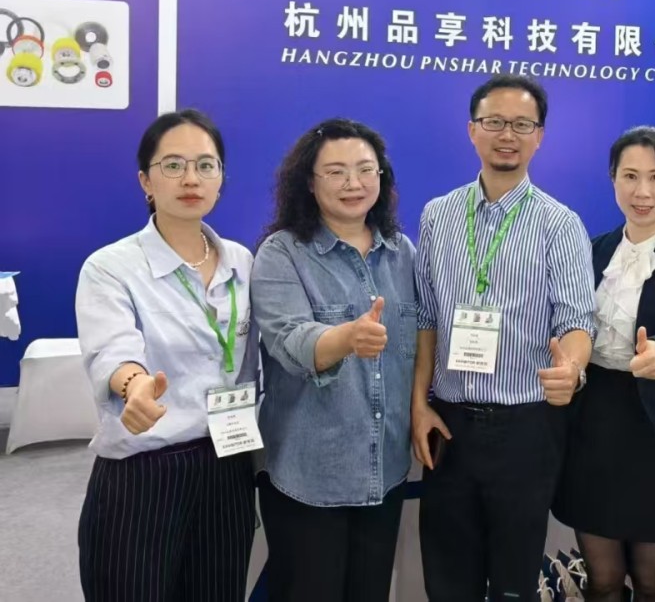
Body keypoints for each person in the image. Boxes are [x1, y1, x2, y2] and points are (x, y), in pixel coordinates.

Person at [411, 75, 596, 602]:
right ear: (472, 130)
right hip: (449, 425)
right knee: (448, 579)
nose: (507, 135)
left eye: (521, 124)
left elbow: (578, 319)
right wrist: (418, 405)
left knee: (515, 582)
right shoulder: (438, 215)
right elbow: (426, 318)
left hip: (526, 428)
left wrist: (572, 369)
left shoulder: (559, 224)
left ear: (540, 136)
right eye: (494, 122)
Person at [76, 109, 257, 602]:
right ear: (146, 181)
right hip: (145, 471)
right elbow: (112, 348)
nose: (191, 179)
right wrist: (134, 386)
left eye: (205, 165)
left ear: (221, 178)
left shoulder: (242, 262)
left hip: (227, 463)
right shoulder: (112, 267)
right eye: (173, 165)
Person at [251, 119, 418, 602]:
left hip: (384, 470)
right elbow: (290, 340)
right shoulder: (283, 253)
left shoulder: (402, 252)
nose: (353, 183)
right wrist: (346, 338)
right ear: (309, 181)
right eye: (336, 172)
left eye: (366, 170)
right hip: (309, 474)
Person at [553, 126, 655, 602]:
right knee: (602, 579)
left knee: (650, 581)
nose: (642, 191)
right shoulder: (594, 250)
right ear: (613, 180)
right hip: (595, 423)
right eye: (630, 176)